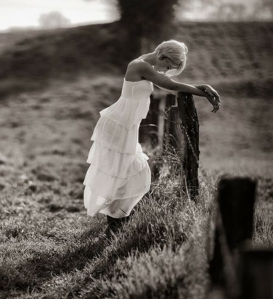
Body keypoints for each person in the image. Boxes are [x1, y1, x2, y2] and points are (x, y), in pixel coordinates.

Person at [82, 40, 220, 236]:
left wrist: (201, 87)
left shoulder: (146, 68)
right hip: (117, 126)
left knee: (132, 173)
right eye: (168, 67)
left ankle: (115, 225)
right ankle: (114, 228)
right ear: (162, 57)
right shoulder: (139, 66)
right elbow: (170, 84)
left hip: (126, 128)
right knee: (119, 174)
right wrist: (203, 91)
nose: (166, 71)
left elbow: (171, 86)